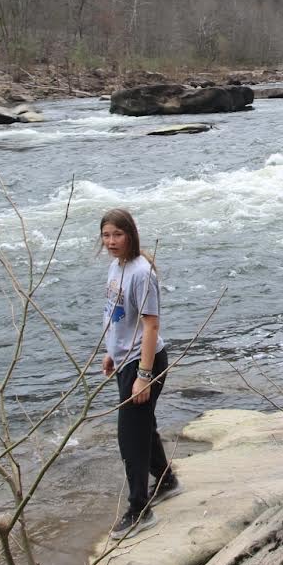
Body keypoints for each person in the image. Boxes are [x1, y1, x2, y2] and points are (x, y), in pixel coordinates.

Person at [99, 208, 180, 539]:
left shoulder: (141, 272)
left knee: (130, 439)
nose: (111, 241)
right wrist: (111, 353)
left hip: (145, 363)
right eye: (106, 235)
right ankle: (166, 481)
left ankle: (139, 510)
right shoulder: (116, 267)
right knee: (143, 427)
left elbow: (151, 324)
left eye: (117, 235)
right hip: (126, 360)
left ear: (131, 235)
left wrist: (144, 374)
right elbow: (118, 316)